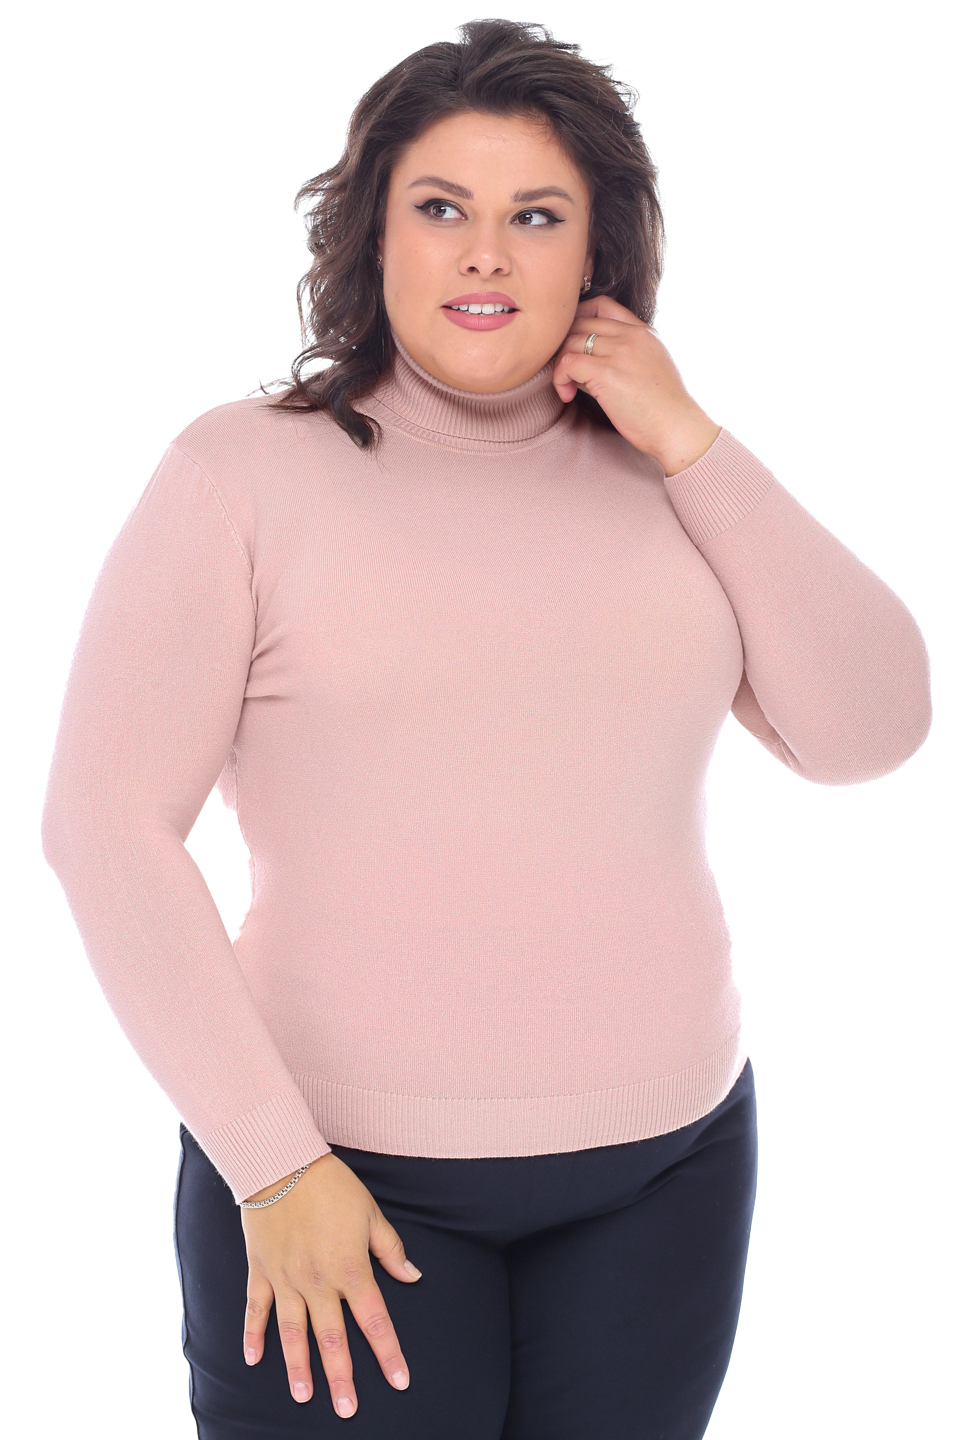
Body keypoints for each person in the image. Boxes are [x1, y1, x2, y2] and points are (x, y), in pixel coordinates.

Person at [39, 18, 932, 1440]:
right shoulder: (240, 474)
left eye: (537, 216)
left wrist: (692, 440)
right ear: (374, 234)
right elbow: (104, 826)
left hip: (665, 1178)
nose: (487, 256)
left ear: (599, 253)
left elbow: (871, 731)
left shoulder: (674, 477)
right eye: (443, 209)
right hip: (335, 1184)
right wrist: (272, 1165)